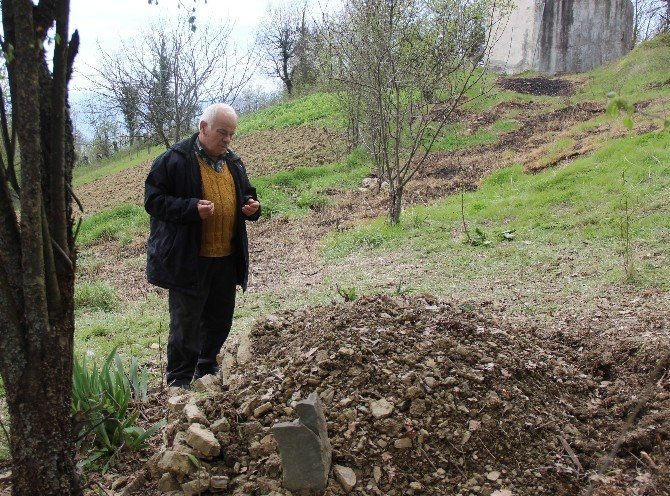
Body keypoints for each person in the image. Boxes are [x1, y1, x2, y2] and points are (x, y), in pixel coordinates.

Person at [144, 103, 261, 389]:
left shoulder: (233, 162)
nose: (227, 139)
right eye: (222, 132)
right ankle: (179, 381)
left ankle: (206, 368)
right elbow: (153, 201)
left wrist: (252, 207)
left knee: (220, 318)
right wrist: (190, 208)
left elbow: (247, 194)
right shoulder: (173, 161)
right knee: (185, 324)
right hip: (189, 260)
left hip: (225, 257)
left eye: (231, 134)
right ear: (203, 127)